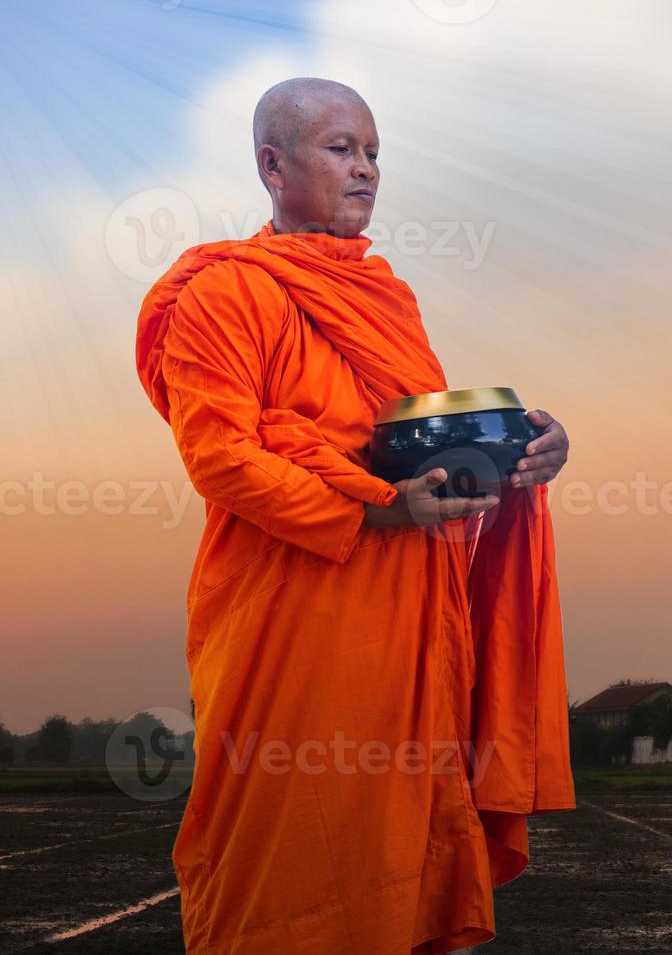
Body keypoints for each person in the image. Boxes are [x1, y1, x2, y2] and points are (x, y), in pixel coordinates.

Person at [135, 78, 574, 953]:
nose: (367, 170)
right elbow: (220, 458)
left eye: (374, 153)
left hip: (408, 627)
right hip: (290, 624)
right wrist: (378, 513)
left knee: (402, 852)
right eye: (342, 150)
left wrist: (523, 455)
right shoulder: (225, 293)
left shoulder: (386, 298)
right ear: (272, 164)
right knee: (284, 852)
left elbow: (419, 451)